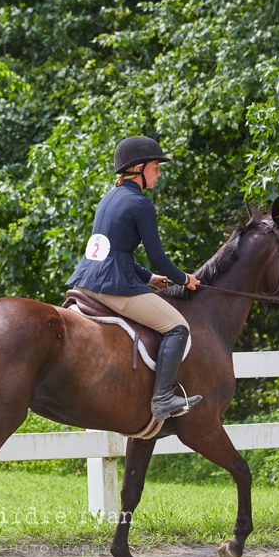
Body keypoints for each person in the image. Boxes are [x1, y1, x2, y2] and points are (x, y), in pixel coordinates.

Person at [67, 136, 202, 421]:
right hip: (112, 287)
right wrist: (184, 279)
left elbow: (112, 252)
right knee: (178, 326)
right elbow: (159, 257)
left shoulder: (109, 198)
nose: (159, 172)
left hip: (87, 279)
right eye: (156, 166)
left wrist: (150, 278)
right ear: (139, 168)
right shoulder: (140, 204)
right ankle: (163, 398)